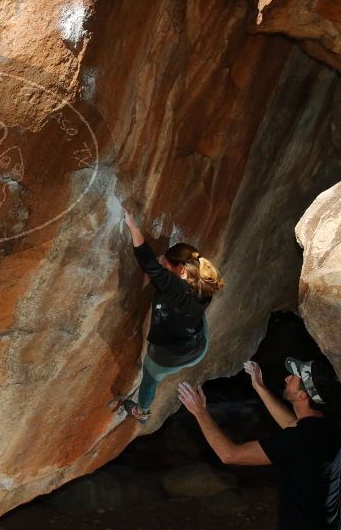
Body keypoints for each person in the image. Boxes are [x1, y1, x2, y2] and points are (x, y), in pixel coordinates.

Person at [178, 358, 341, 530]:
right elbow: (291, 424)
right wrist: (259, 385)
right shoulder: (330, 429)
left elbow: (230, 455)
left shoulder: (299, 439)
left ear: (302, 395)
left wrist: (200, 411)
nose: (286, 378)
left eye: (294, 377)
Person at [122, 209, 225, 423]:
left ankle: (141, 412)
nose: (165, 269)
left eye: (168, 267)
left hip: (168, 357)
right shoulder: (206, 283)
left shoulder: (174, 288)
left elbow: (147, 261)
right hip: (196, 348)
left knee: (149, 381)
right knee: (198, 318)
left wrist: (133, 227)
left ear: (183, 271)